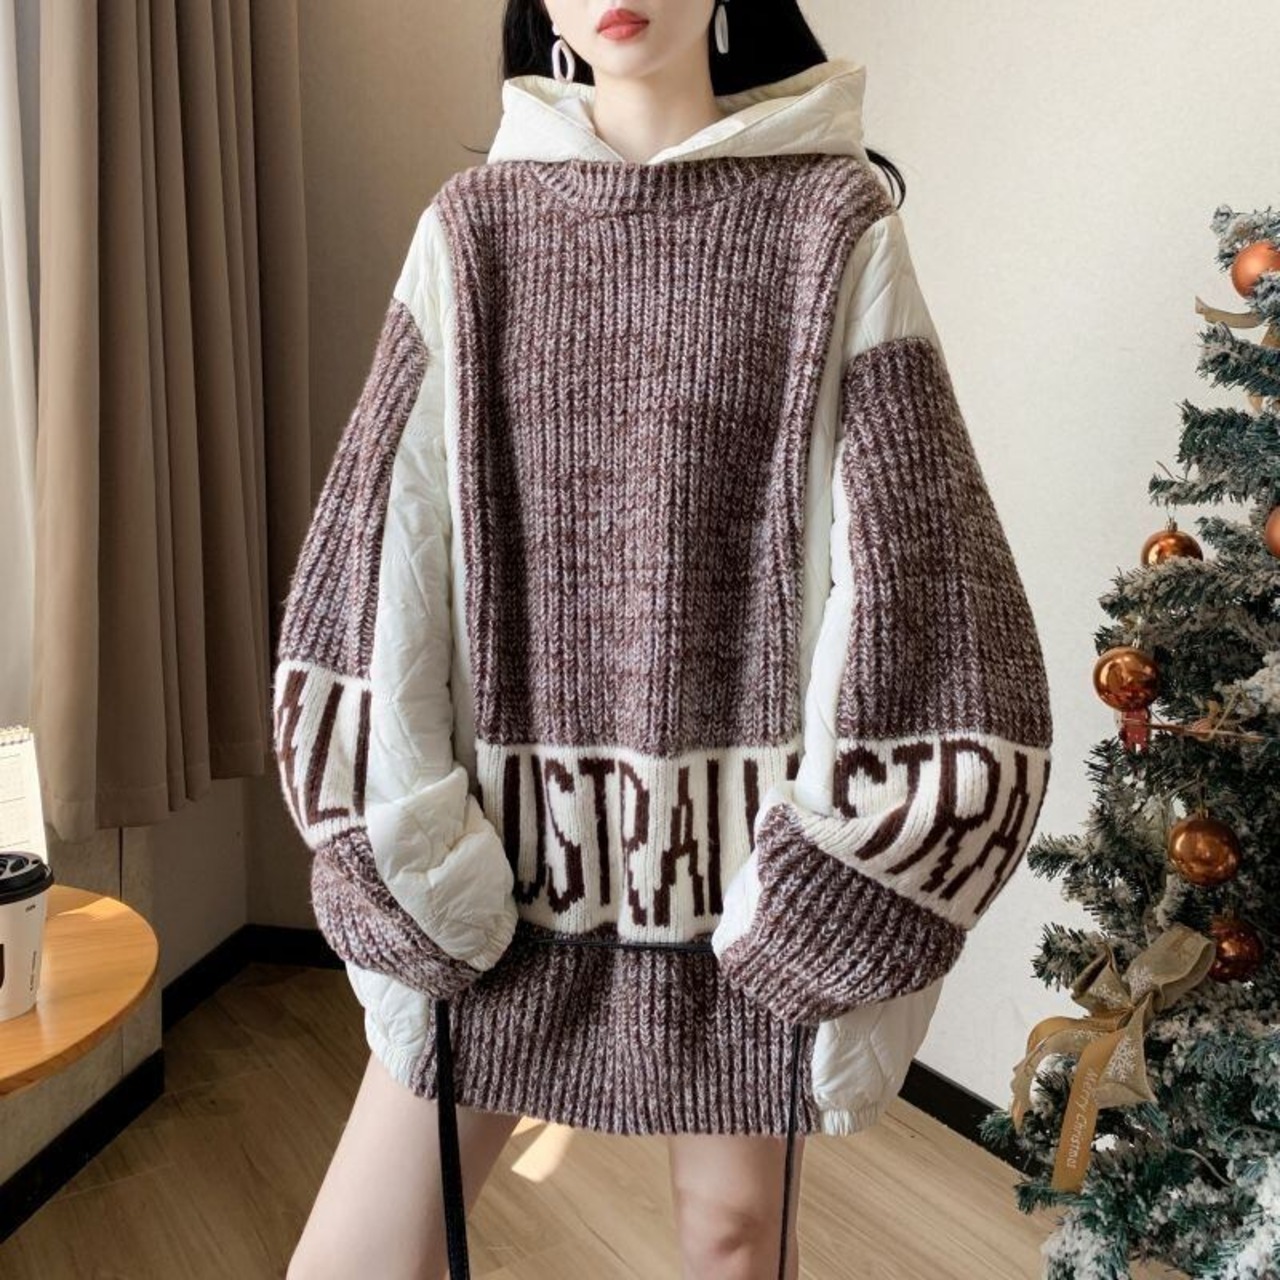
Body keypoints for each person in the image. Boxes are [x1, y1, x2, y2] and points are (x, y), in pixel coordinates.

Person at [274, 2, 1055, 1278]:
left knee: (732, 1237)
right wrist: (397, 844)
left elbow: (923, 579)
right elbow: (378, 553)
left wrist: (830, 879)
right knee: (355, 1255)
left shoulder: (830, 222)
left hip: (739, 891)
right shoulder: (472, 230)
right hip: (491, 877)